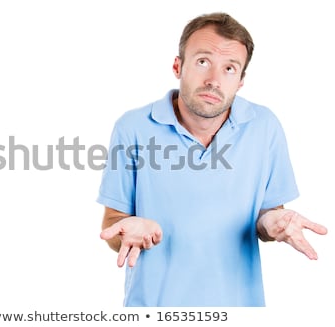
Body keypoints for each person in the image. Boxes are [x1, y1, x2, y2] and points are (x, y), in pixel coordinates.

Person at [97, 12, 328, 307]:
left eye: (229, 68)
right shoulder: (132, 127)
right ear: (178, 66)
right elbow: (113, 226)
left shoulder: (264, 126)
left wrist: (273, 223)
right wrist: (128, 231)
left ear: (241, 81)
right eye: (203, 62)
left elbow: (267, 216)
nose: (214, 80)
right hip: (153, 311)